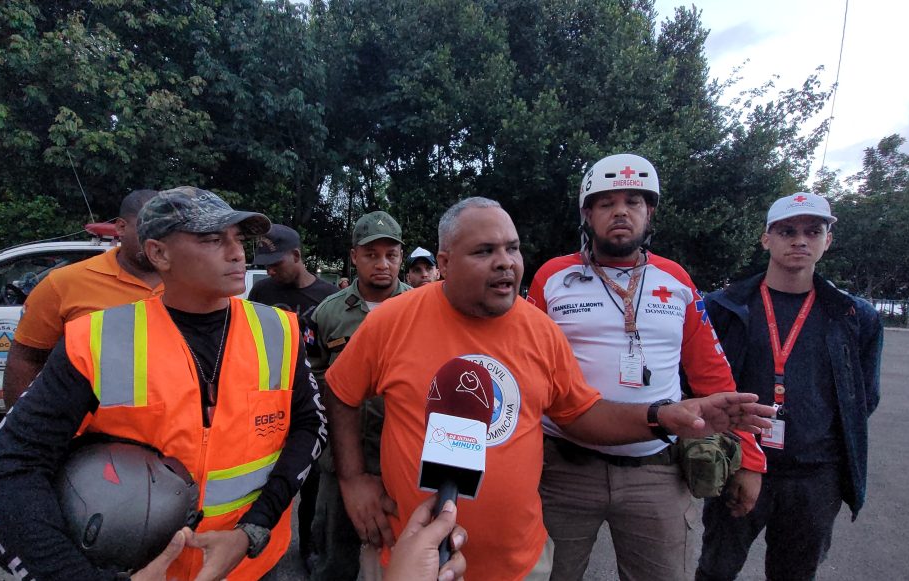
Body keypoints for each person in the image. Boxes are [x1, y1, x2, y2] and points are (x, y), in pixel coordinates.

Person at [322, 197, 774, 580]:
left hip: (520, 562)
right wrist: (353, 478)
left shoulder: (539, 330)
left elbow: (579, 413)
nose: (506, 262)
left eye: (512, 248)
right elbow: (342, 392)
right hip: (410, 561)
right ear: (443, 263)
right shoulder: (391, 321)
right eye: (484, 251)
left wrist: (659, 417)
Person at [0, 187, 327, 581]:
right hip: (138, 569)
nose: (237, 252)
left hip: (251, 565)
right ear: (159, 253)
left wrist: (252, 530)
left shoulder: (279, 329)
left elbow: (311, 426)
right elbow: (3, 475)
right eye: (212, 239)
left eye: (239, 239)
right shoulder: (97, 340)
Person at [527, 153, 766, 580]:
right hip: (563, 470)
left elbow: (713, 375)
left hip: (657, 470)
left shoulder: (676, 279)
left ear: (649, 212)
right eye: (606, 203)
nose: (621, 211)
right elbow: (527, 371)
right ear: (587, 213)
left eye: (634, 201)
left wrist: (748, 458)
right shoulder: (553, 277)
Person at [695, 193, 884, 581]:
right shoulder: (724, 307)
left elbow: (862, 399)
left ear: (827, 240)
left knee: (795, 574)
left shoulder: (853, 315)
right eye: (787, 231)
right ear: (766, 239)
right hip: (738, 465)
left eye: (813, 231)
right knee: (716, 570)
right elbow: (699, 383)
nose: (800, 240)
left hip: (815, 476)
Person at [308, 210, 411, 581]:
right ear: (354, 257)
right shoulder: (328, 314)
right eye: (371, 255)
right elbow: (312, 375)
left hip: (400, 456)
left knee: (399, 551)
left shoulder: (421, 309)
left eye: (391, 255)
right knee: (336, 554)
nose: (382, 264)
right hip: (341, 458)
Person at [3, 189, 164, 408]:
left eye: (169, 230)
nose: (159, 240)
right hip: (94, 434)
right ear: (121, 227)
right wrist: (22, 429)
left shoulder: (196, 283)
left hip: (180, 431)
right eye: (149, 228)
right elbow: (26, 360)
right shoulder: (62, 284)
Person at [248, 223, 337, 571]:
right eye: (265, 263)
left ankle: (309, 546)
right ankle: (259, 537)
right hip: (267, 395)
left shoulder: (328, 297)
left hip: (309, 395)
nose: (270, 270)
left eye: (276, 262)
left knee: (311, 476)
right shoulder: (262, 292)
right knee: (264, 472)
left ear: (297, 256)